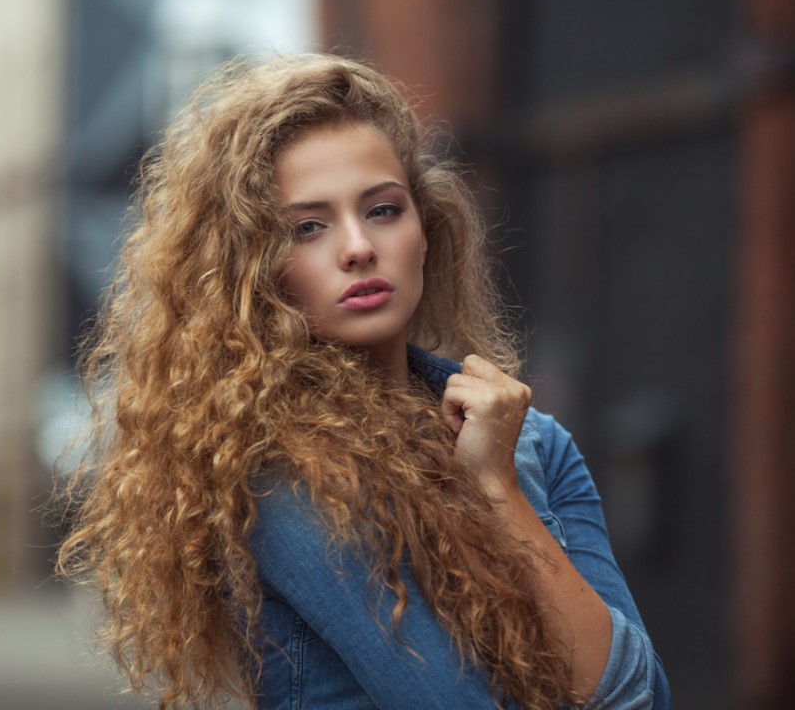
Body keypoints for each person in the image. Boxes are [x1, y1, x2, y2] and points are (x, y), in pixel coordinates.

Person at [56, 53, 669, 709]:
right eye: (308, 227)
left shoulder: (530, 444)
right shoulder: (282, 478)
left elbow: (642, 697)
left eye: (382, 210)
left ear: (425, 231)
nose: (357, 247)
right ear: (256, 269)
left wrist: (497, 485)